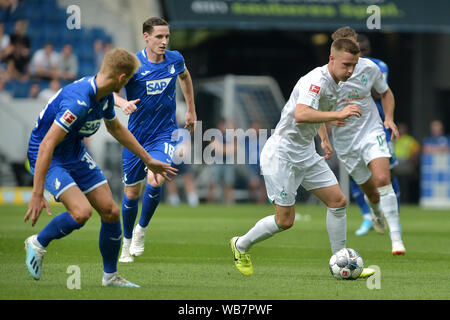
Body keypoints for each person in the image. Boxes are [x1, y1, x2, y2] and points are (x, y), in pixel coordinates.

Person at [23, 48, 177, 288]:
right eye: (128, 80)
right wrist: (37, 193)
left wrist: (147, 159)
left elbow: (116, 129)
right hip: (50, 156)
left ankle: (110, 276)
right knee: (81, 213)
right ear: (121, 79)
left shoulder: (103, 95)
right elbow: (46, 145)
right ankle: (38, 243)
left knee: (110, 211)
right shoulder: (79, 101)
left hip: (74, 151)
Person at [230, 38, 374, 278]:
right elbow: (301, 113)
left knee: (338, 201)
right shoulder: (315, 81)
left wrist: (324, 137)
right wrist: (336, 114)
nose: (350, 71)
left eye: (354, 65)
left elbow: (314, 113)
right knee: (284, 221)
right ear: (332, 59)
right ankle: (241, 245)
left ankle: (341, 262)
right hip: (282, 155)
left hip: (306, 152)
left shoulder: (338, 82)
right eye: (346, 65)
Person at [113, 17, 196, 263]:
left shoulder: (175, 59)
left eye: (167, 36)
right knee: (130, 195)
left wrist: (191, 109)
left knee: (156, 177)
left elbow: (185, 77)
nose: (164, 41)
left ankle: (141, 230)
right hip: (135, 138)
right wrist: (123, 103)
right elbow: (112, 91)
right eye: (159, 37)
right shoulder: (132, 64)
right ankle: (126, 242)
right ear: (146, 37)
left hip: (164, 133)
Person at [328, 27, 405, 255]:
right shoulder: (324, 76)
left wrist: (389, 119)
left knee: (383, 178)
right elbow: (316, 109)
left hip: (371, 130)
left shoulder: (370, 68)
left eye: (357, 48)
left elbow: (386, 92)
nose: (355, 53)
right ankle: (375, 212)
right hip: (346, 141)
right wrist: (326, 135)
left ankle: (396, 239)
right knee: (371, 192)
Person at [206, 118, 237, 204]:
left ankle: (229, 203)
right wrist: (227, 149)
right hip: (217, 163)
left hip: (228, 163)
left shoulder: (230, 136)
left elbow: (234, 148)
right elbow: (214, 147)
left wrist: (221, 148)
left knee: (229, 185)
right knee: (212, 184)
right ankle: (210, 204)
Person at [394, 123, 421, 203]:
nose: (400, 131)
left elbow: (417, 150)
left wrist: (411, 160)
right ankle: (397, 200)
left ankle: (405, 201)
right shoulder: (395, 139)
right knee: (396, 184)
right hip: (395, 165)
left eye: (402, 129)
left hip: (405, 165)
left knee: (404, 185)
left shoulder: (409, 139)